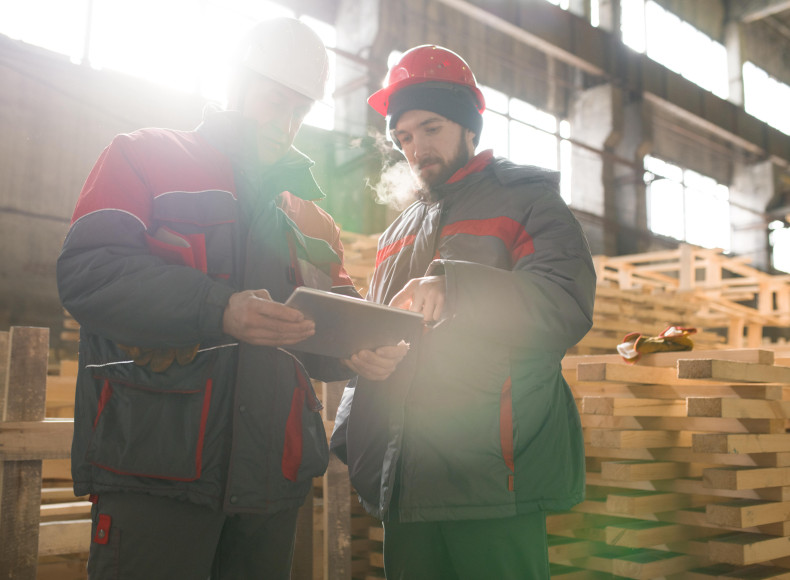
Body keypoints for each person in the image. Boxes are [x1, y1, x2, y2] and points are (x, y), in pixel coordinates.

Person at [57, 17, 407, 580]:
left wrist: (361, 350)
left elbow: (328, 336)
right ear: (237, 85)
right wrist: (218, 309)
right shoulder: (143, 158)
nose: (287, 124)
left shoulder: (313, 221)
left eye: (301, 110)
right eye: (276, 101)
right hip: (156, 471)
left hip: (269, 483)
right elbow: (89, 272)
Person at [330, 45, 596, 579]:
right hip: (406, 479)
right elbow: (382, 329)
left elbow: (564, 303)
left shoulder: (528, 201)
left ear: (469, 127)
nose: (417, 148)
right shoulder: (396, 233)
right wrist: (364, 359)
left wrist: (457, 288)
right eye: (405, 137)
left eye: (431, 128)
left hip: (492, 480)